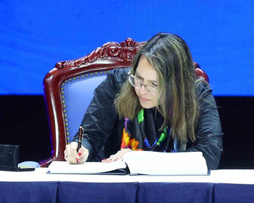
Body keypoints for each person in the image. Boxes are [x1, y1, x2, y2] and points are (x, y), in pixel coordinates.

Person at [65, 33, 224, 170]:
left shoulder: (197, 95)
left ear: (176, 85)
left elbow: (209, 154)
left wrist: (140, 159)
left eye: (154, 84)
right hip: (118, 188)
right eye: (138, 79)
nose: (141, 90)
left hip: (175, 192)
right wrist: (81, 148)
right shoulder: (117, 83)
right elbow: (91, 135)